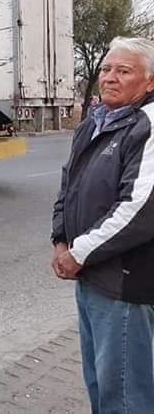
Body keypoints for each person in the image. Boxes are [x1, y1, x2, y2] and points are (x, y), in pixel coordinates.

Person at [52, 37, 154, 413]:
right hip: (91, 276)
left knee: (126, 396)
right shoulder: (93, 123)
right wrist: (60, 239)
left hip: (125, 284)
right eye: (106, 69)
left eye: (124, 71)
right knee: (100, 384)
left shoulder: (147, 125)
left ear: (150, 82)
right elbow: (68, 186)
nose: (109, 78)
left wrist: (78, 253)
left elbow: (139, 208)